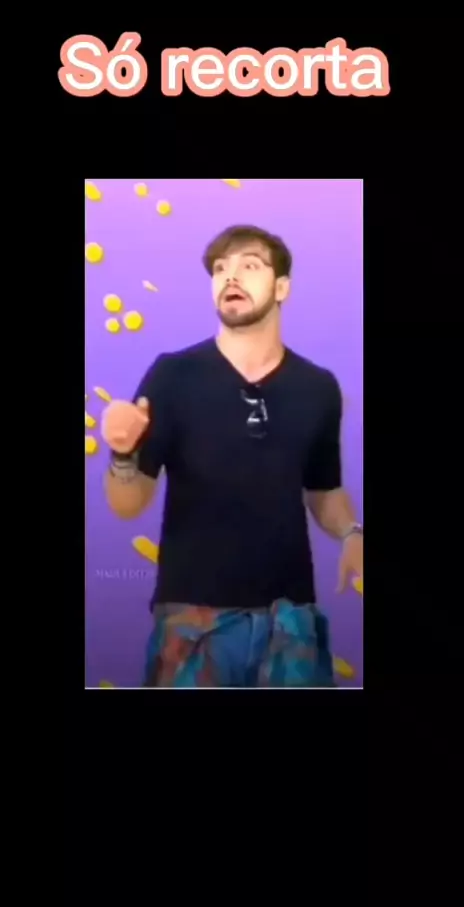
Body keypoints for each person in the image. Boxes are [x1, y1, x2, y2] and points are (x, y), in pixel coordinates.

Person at [101, 224, 363, 688]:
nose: (231, 276)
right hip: (192, 621)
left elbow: (323, 490)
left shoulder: (318, 387)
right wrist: (122, 453)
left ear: (282, 287)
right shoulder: (172, 375)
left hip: (291, 621)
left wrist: (351, 532)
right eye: (221, 269)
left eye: (250, 265)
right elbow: (127, 504)